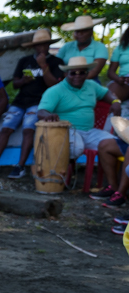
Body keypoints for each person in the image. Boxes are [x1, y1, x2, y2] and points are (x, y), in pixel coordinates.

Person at [36, 56, 122, 198]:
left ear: (87, 73)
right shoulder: (55, 91)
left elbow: (106, 93)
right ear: (66, 74)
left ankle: (114, 188)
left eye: (81, 72)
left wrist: (116, 101)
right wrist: (48, 116)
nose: (77, 76)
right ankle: (61, 177)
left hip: (90, 131)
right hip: (67, 130)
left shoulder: (92, 85)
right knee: (77, 148)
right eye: (73, 73)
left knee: (117, 144)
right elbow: (41, 111)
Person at [0, 29, 64, 179]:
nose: (41, 48)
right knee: (6, 128)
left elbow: (54, 86)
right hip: (21, 101)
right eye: (38, 45)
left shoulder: (56, 62)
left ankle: (20, 166)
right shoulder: (25, 60)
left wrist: (43, 66)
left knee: (28, 129)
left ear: (49, 45)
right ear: (34, 46)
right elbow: (15, 84)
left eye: (44, 44)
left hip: (40, 102)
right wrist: (23, 81)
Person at [58, 14, 108, 81]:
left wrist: (76, 81)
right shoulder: (67, 46)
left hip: (90, 82)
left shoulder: (100, 47)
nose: (80, 34)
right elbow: (56, 63)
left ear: (91, 31)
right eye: (77, 31)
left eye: (84, 31)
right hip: (67, 81)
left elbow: (94, 71)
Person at [108, 28, 129, 103]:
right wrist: (119, 79)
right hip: (124, 82)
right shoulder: (121, 47)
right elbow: (111, 72)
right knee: (111, 96)